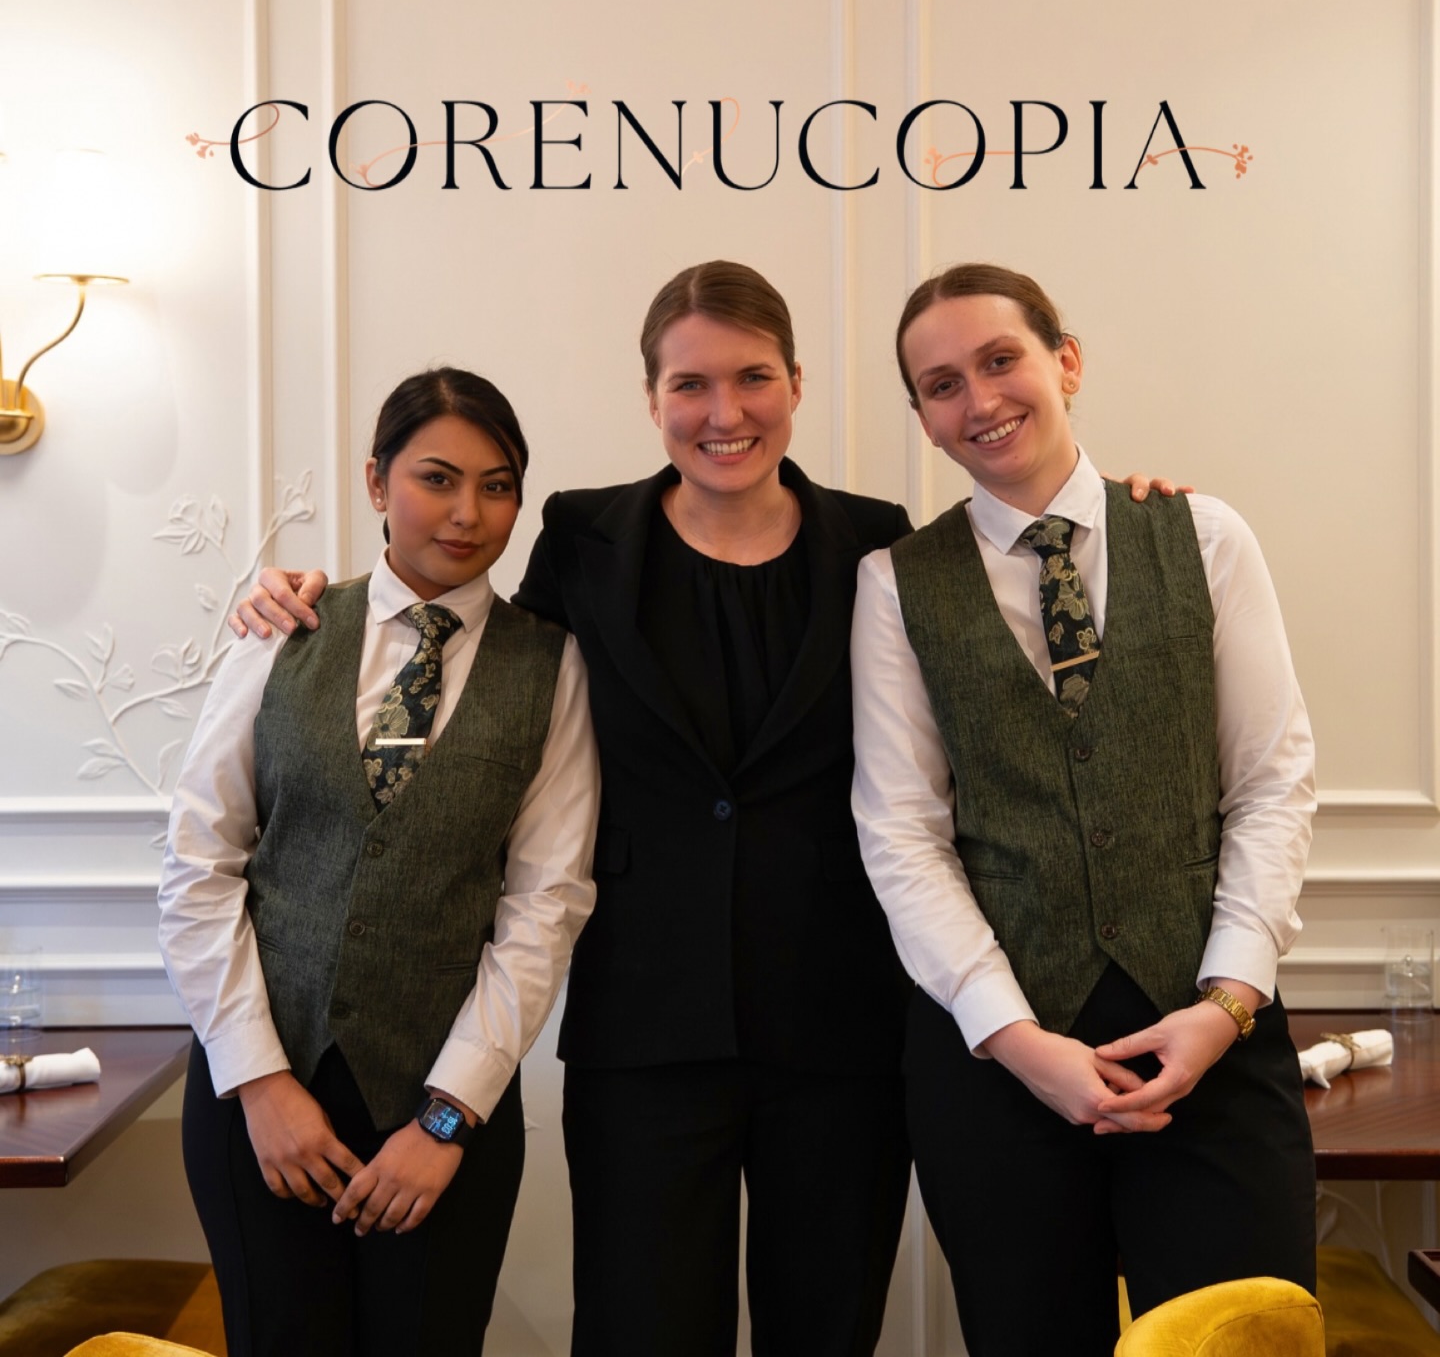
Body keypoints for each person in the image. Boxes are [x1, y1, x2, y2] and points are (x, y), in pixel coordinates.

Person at [232, 262, 1176, 1357]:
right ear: (652, 399)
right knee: (640, 1333)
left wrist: (1128, 515)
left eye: (752, 378)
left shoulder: (880, 541)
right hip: (646, 1029)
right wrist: (316, 596)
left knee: (822, 1330)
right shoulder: (584, 539)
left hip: (844, 1027)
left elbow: (1006, 612)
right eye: (690, 385)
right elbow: (466, 665)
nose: (723, 413)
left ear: (797, 384)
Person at [850, 263, 1316, 1357]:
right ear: (922, 415)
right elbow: (903, 834)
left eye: (1001, 360)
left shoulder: (1204, 537)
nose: (979, 400)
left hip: (1212, 1036)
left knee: (1239, 1341)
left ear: (1066, 362)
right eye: (941, 384)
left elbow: (1269, 784)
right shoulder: (895, 583)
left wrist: (1225, 1006)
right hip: (997, 1068)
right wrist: (1016, 1041)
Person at [159, 367, 600, 1357]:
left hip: (441, 1112)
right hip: (258, 1093)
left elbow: (545, 906)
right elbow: (200, 865)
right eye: (437, 478)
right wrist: (260, 1083)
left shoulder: (551, 664)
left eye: (499, 485)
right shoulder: (283, 631)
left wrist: (444, 1123)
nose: (468, 512)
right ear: (375, 481)